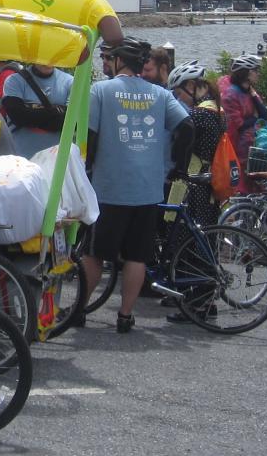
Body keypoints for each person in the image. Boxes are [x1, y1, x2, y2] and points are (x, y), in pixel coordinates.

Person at [81, 35, 190, 333]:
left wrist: (86, 169)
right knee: (137, 256)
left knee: (94, 253)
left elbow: (90, 136)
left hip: (109, 186)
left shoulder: (100, 90)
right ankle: (126, 315)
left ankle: (79, 309)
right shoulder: (160, 94)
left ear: (118, 60)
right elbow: (186, 126)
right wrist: (179, 168)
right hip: (148, 189)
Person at [167, 60, 225, 229]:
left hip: (194, 182)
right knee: (205, 231)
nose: (179, 99)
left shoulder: (199, 114)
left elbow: (179, 143)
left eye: (179, 93)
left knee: (183, 231)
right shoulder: (217, 109)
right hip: (209, 181)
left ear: (191, 86)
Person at [1, 61, 74, 158]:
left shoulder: (70, 82)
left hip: (57, 160)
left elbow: (71, 121)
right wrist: (58, 112)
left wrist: (31, 115)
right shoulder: (14, 81)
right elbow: (18, 116)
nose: (48, 60)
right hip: (21, 158)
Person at [218, 54, 267, 190]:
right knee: (242, 187)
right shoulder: (230, 95)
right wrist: (255, 119)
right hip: (237, 148)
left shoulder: (249, 91)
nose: (258, 74)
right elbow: (238, 125)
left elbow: (264, 115)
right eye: (255, 71)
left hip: (251, 146)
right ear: (246, 74)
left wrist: (254, 96)